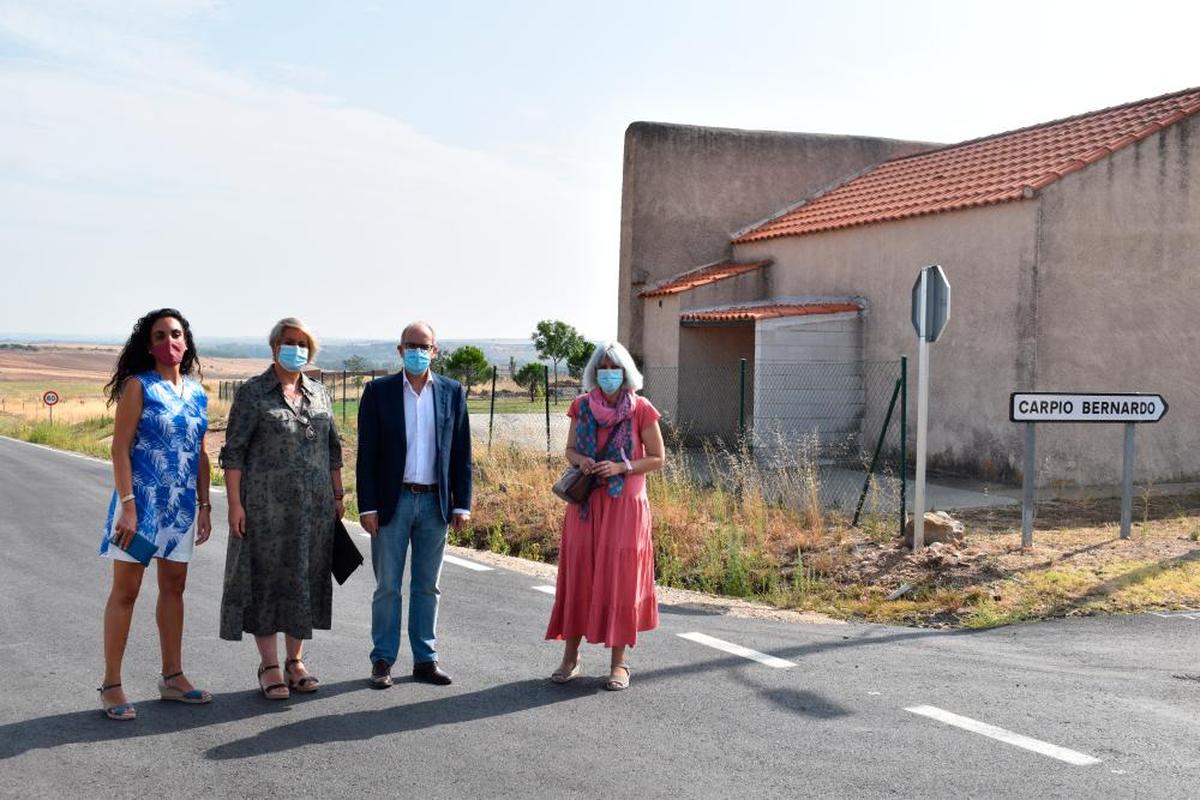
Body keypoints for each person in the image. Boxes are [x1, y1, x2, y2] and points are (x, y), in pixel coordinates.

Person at [218, 317, 344, 700]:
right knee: (267, 582)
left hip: (314, 510)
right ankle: (269, 666)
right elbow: (233, 454)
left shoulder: (320, 393)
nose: (297, 349)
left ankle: (296, 662)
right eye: (289, 342)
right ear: (274, 347)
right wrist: (235, 505)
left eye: (303, 343)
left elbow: (333, 450)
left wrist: (338, 497)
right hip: (265, 509)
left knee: (303, 581)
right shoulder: (253, 393)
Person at [99, 309, 213, 720]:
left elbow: (200, 454)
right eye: (161, 335)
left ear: (187, 341)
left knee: (174, 588)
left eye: (176, 334)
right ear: (148, 345)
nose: (170, 341)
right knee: (126, 592)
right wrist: (127, 506)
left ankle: (172, 677)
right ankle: (112, 684)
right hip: (141, 508)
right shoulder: (138, 387)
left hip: (180, 509)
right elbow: (119, 448)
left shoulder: (199, 393)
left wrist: (204, 505)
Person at [357, 321, 472, 689]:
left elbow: (461, 452)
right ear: (400, 350)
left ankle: (425, 659)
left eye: (425, 346)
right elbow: (367, 455)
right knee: (387, 586)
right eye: (411, 345)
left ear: (435, 351)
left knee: (427, 586)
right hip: (393, 503)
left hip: (436, 504)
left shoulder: (452, 393)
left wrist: (462, 503)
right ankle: (383, 660)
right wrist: (367, 506)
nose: (418, 352)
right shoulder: (378, 392)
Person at [545, 341, 665, 691]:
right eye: (603, 367)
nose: (608, 374)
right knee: (579, 575)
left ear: (625, 371)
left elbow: (657, 457)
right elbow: (569, 449)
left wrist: (621, 467)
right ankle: (571, 658)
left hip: (625, 507)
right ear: (593, 372)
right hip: (585, 505)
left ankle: (619, 664)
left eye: (614, 367)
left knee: (619, 581)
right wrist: (580, 461)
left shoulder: (641, 408)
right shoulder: (581, 406)